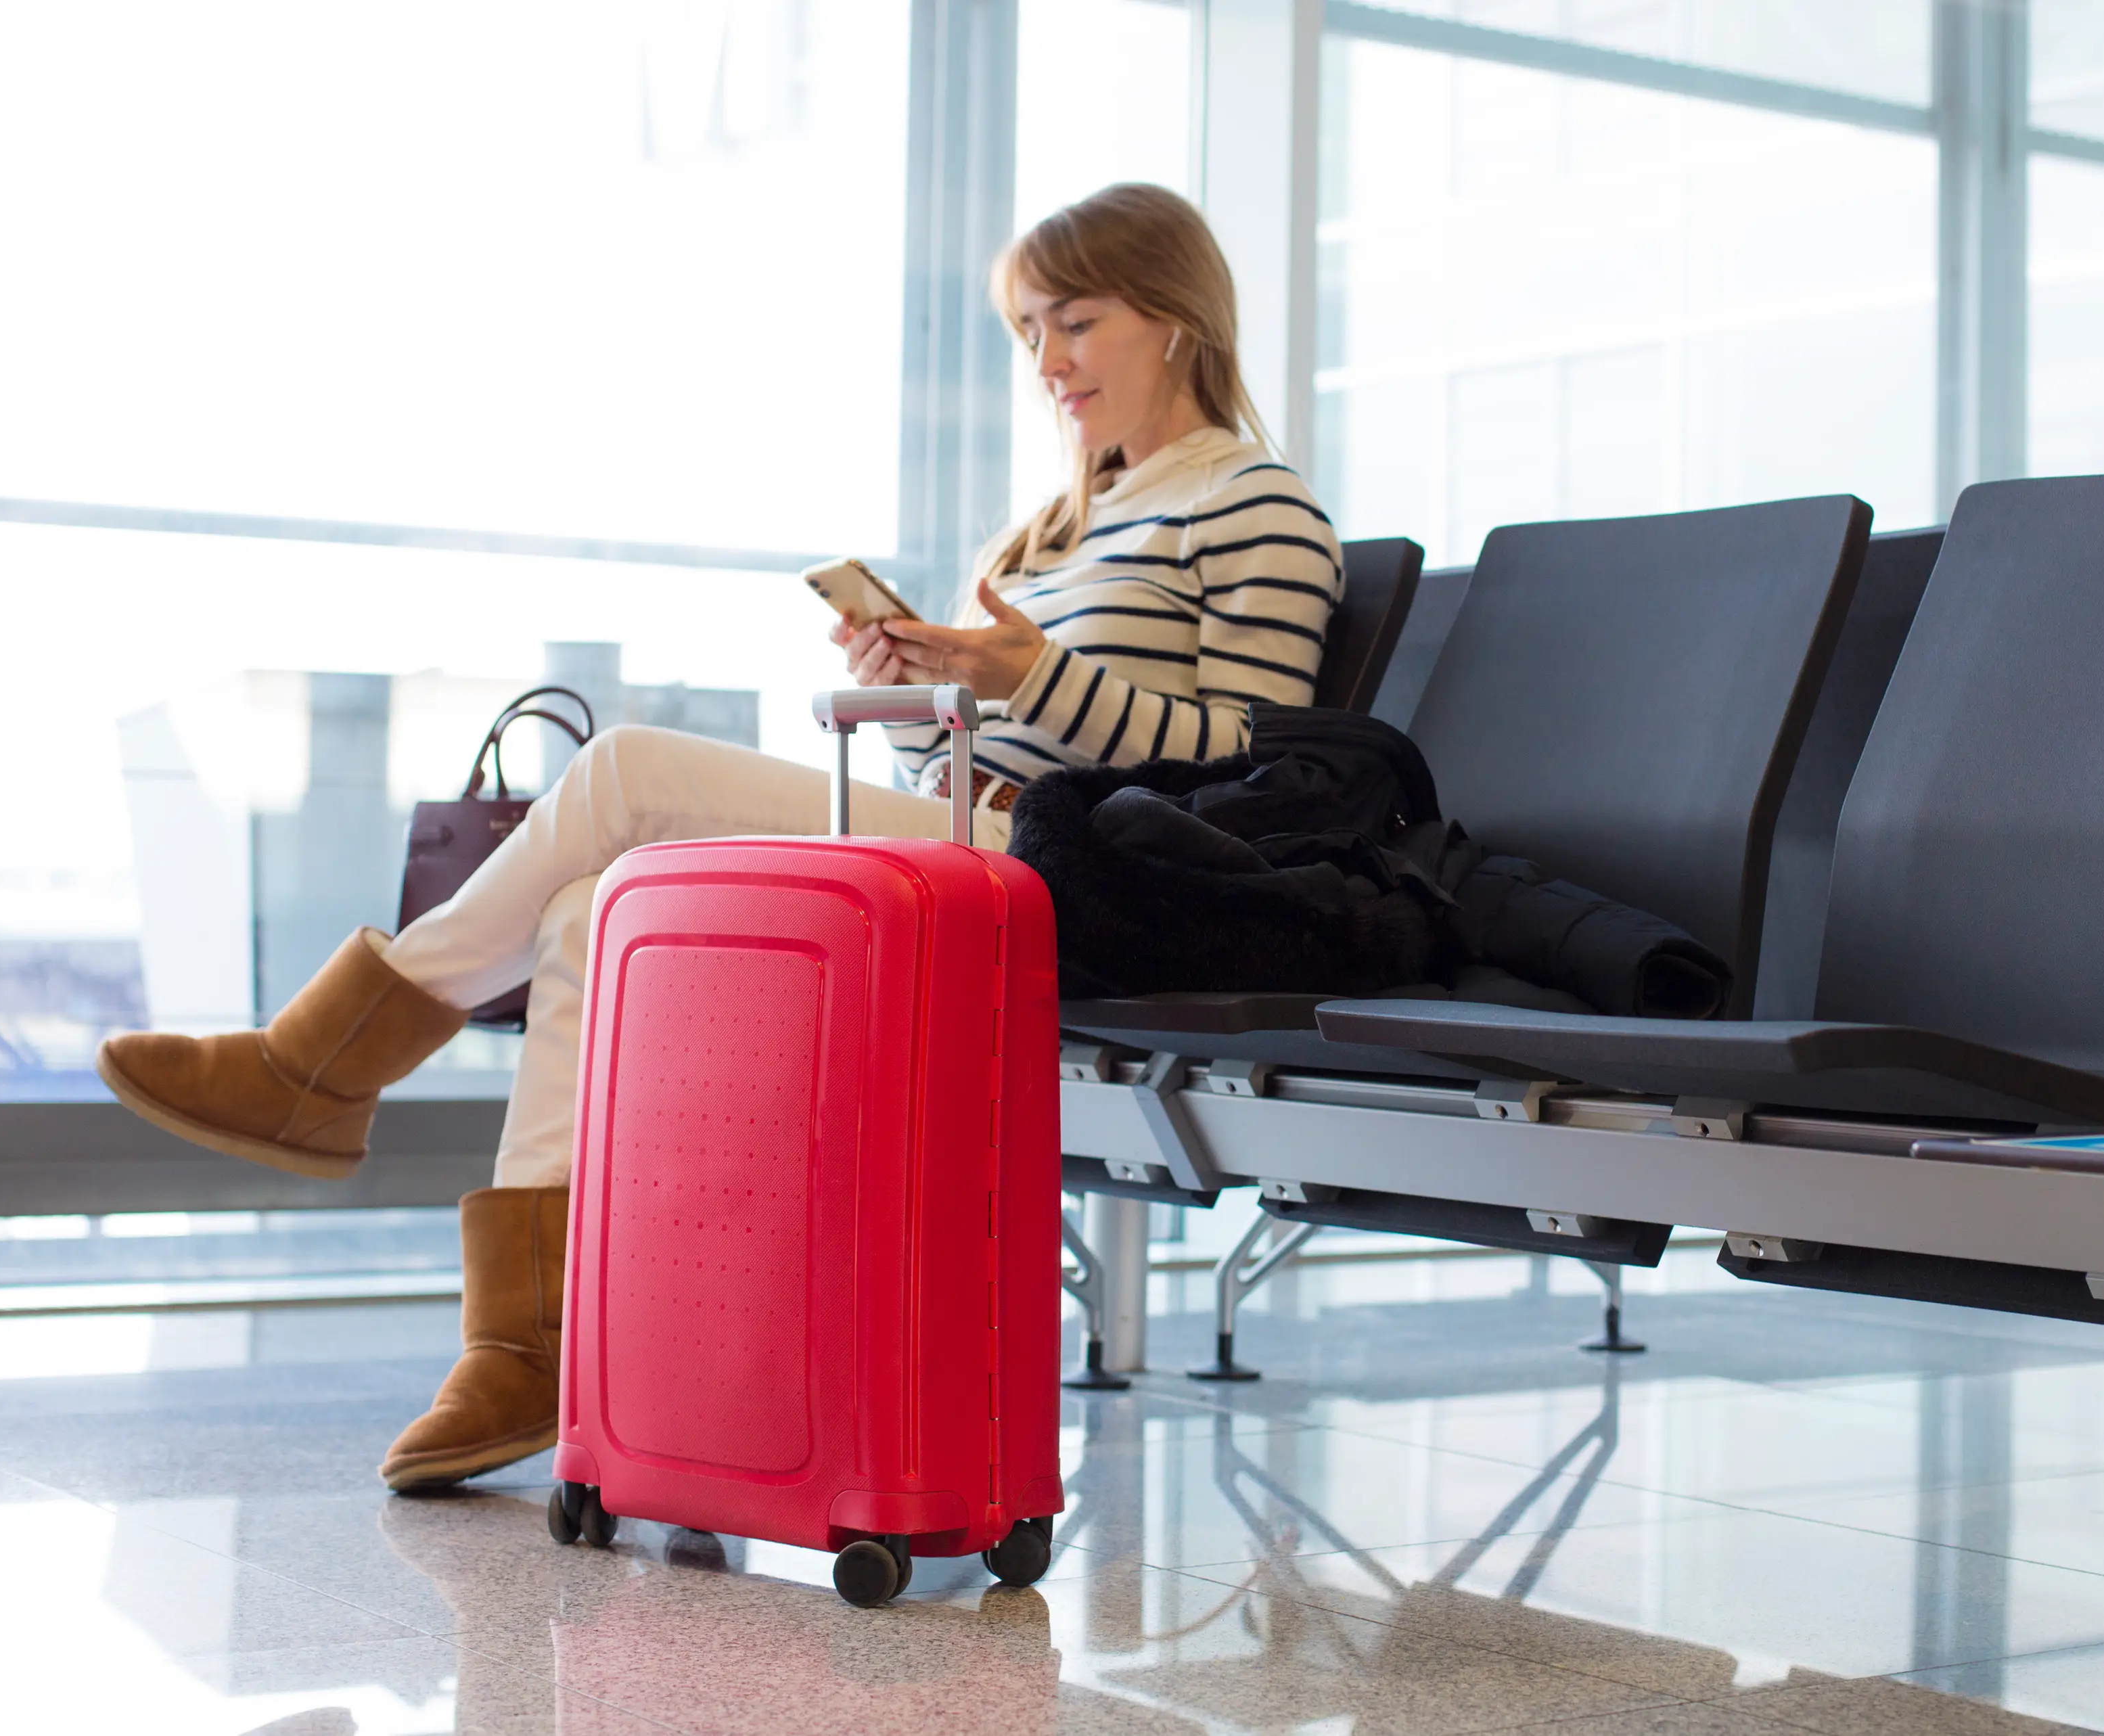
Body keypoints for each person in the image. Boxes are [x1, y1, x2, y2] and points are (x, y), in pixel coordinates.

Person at [93, 183, 1344, 1490]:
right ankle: (523, 1340)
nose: (1048, 364)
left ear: (1177, 321)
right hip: (981, 833)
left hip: (1086, 874)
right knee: (589, 913)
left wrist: (1029, 677)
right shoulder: (1061, 529)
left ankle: (324, 1061)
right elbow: (989, 747)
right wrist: (926, 693)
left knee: (627, 771)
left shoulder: (1253, 506)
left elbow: (1255, 777)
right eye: (1030, 331)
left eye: (1075, 323)